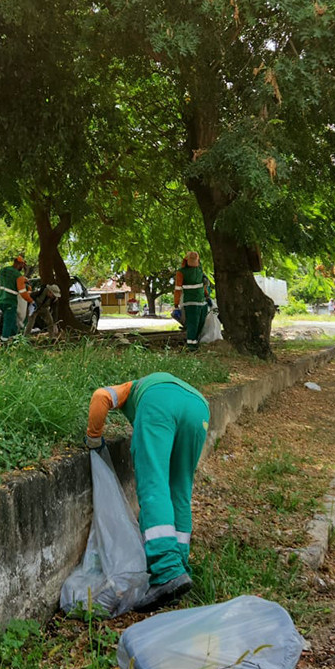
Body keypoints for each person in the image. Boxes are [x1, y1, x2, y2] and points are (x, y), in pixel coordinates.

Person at [86, 373, 210, 612]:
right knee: (180, 490)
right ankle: (180, 567)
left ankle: (166, 571)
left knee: (154, 484)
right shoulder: (163, 382)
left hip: (159, 404)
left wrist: (93, 438)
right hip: (199, 408)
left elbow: (100, 397)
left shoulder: (130, 390)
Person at [0, 255, 34, 342]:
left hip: (1, 301)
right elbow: (23, 293)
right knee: (8, 322)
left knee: (12, 322)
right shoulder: (18, 276)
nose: (22, 268)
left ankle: (15, 338)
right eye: (22, 266)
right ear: (19, 264)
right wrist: (31, 301)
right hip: (10, 302)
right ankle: (4, 341)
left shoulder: (3, 270)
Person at [174, 252, 208, 350]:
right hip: (191, 302)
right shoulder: (181, 272)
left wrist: (207, 296)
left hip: (202, 302)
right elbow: (178, 289)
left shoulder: (200, 269)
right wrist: (176, 304)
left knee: (200, 324)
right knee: (193, 325)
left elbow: (203, 285)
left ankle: (196, 344)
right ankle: (191, 347)